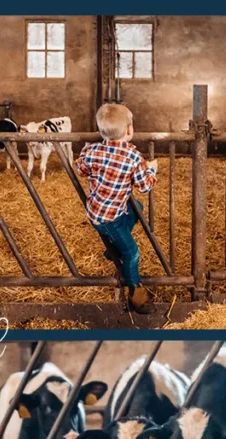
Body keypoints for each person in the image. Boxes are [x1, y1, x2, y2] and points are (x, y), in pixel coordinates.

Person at [75, 103, 159, 314]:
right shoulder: (133, 156)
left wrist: (86, 148)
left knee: (136, 206)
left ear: (101, 131)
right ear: (129, 129)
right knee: (132, 253)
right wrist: (152, 170)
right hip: (110, 219)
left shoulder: (93, 150)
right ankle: (136, 293)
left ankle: (112, 249)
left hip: (96, 213)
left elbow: (81, 168)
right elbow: (144, 186)